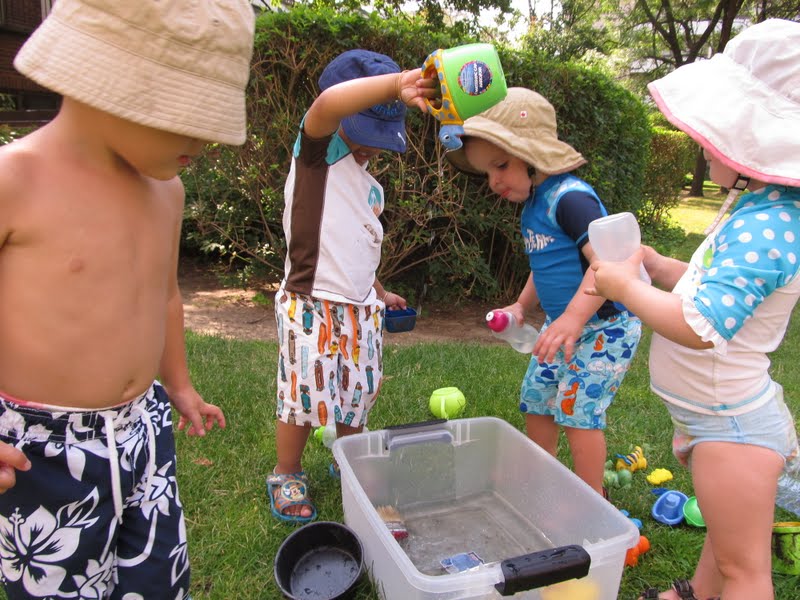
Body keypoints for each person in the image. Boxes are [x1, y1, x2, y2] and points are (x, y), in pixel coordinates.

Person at [0, 1, 255, 598]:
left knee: (157, 579)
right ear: (111, 78)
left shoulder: (167, 191)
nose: (206, 139)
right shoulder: (16, 180)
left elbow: (162, 294)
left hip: (144, 431)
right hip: (42, 452)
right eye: (190, 115)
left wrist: (180, 383)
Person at [588, 19, 800, 600]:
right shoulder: (758, 206)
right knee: (725, 540)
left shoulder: (771, 224)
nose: (699, 142)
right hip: (716, 419)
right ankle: (695, 595)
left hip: (731, 426)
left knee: (745, 570)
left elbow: (700, 326)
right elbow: (712, 291)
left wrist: (624, 286)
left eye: (716, 133)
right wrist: (658, 268)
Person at [446, 87, 642, 497]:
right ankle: (544, 481)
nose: (494, 180)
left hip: (606, 327)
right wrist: (521, 305)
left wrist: (573, 318)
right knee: (536, 397)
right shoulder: (534, 205)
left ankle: (594, 499)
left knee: (577, 413)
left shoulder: (571, 200)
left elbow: (606, 266)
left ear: (533, 155)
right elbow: (544, 265)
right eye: (487, 173)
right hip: (561, 326)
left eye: (500, 165)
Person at [269, 50, 434, 522]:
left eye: (379, 139)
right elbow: (325, 108)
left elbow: (354, 245)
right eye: (363, 134)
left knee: (355, 394)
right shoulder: (316, 158)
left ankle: (351, 465)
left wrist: (378, 290)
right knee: (302, 394)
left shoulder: (370, 187)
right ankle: (286, 471)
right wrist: (393, 84)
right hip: (311, 301)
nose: (370, 148)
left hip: (361, 309)